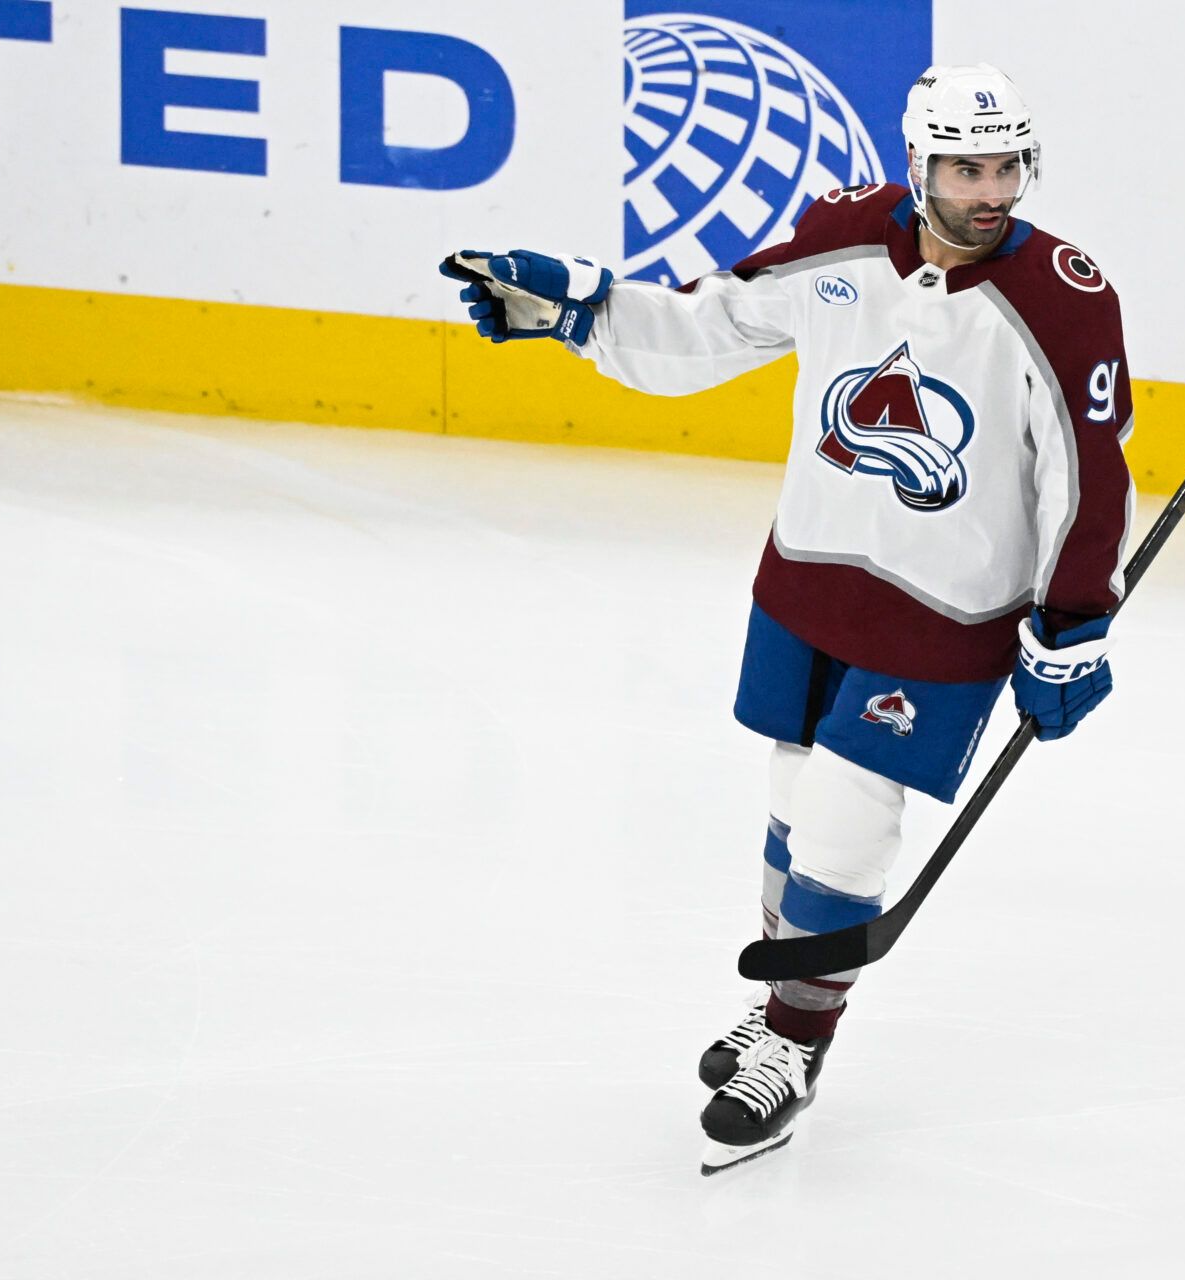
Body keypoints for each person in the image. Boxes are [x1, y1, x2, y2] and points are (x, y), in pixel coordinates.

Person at [443, 64, 1135, 1175]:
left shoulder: (1062, 295)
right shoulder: (847, 235)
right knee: (791, 798)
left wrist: (1071, 621)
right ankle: (781, 1001)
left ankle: (796, 1046)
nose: (991, 189)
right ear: (919, 166)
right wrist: (585, 308)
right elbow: (716, 322)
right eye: (966, 166)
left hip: (945, 615)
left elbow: (1090, 479)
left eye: (1006, 165)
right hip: (810, 578)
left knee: (848, 821)